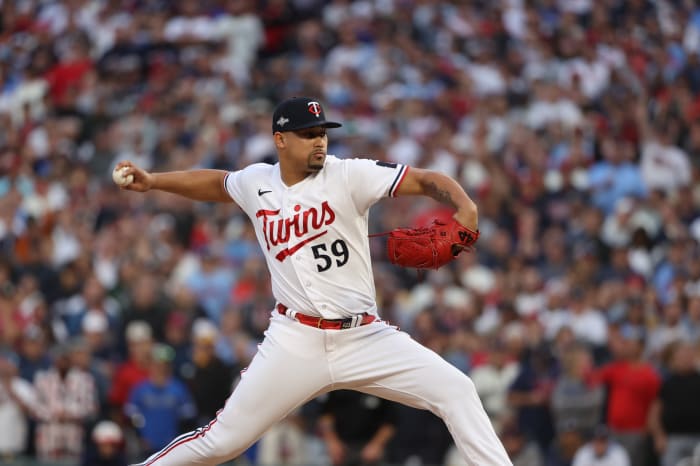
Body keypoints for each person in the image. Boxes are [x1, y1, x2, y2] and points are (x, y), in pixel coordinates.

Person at [117, 96, 512, 466]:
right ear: (280, 140)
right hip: (294, 339)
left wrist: (465, 205)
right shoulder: (257, 182)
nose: (319, 141)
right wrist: (153, 180)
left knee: (457, 391)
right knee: (220, 443)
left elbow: (425, 179)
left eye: (322, 132)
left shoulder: (348, 174)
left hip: (364, 337)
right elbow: (217, 183)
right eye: (308, 134)